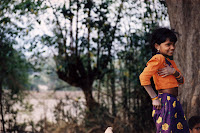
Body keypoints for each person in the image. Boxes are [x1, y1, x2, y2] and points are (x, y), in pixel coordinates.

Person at [139, 27, 189, 133]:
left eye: (173, 44)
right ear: (157, 46)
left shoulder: (170, 62)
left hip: (174, 101)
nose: (172, 47)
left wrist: (173, 72)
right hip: (165, 101)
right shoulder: (159, 58)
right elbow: (143, 77)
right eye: (168, 44)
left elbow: (181, 81)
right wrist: (154, 98)